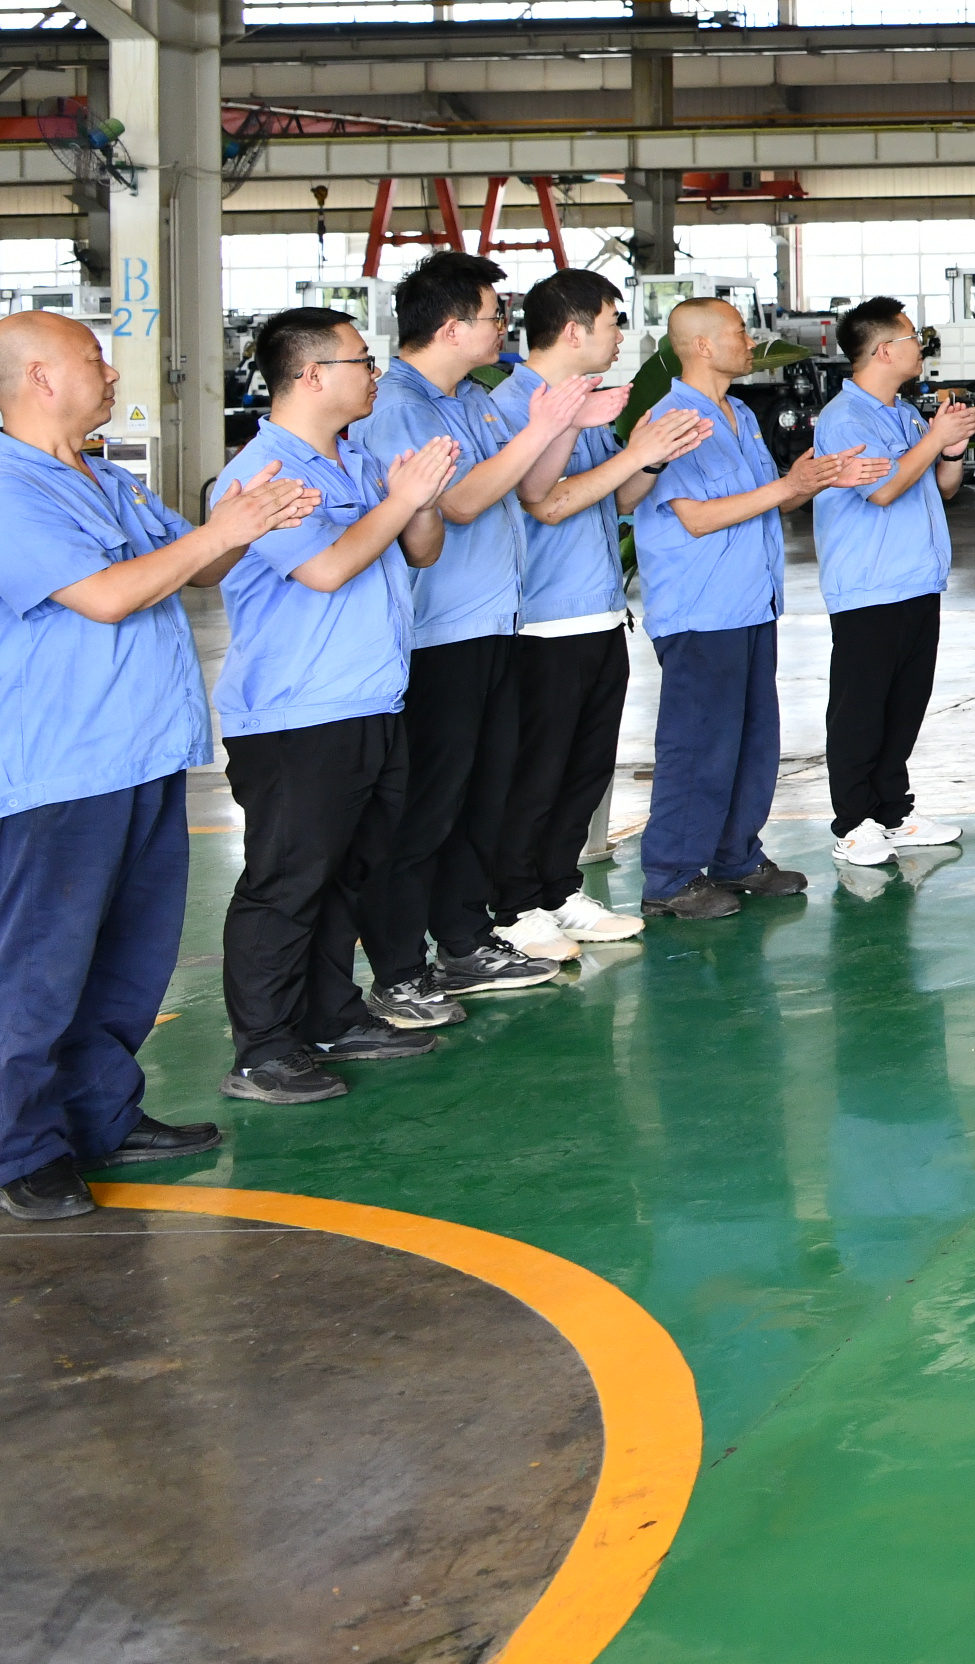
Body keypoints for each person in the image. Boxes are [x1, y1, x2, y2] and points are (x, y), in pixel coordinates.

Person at [0, 314, 315, 1217]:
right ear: (40, 377)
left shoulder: (106, 479)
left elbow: (198, 570)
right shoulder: (11, 488)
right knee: (40, 970)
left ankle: (100, 1116)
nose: (111, 373)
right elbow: (106, 596)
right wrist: (223, 532)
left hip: (143, 754)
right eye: (92, 359)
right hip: (62, 768)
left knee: (128, 963)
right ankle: (21, 1150)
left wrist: (251, 522)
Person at [208, 307, 462, 1101]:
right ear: (313, 374)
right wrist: (400, 498)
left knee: (347, 875)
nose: (374, 372)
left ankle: (330, 1017)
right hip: (298, 716)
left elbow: (422, 551)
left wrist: (419, 498)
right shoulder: (262, 474)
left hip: (369, 700)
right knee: (287, 884)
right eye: (361, 360)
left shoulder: (353, 460)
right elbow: (325, 569)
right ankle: (262, 1050)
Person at [348, 251, 594, 1006]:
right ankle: (399, 968)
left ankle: (463, 940)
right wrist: (541, 426)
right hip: (438, 636)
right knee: (427, 806)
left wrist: (563, 426)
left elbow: (525, 487)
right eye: (495, 316)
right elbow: (455, 504)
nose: (504, 328)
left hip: (492, 624)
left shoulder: (470, 400)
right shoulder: (402, 409)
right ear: (452, 327)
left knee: (479, 798)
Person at [635, 298, 884, 922]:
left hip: (749, 602)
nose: (751, 342)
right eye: (739, 332)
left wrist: (815, 481)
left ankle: (735, 857)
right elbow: (696, 517)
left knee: (751, 741)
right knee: (699, 745)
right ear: (701, 345)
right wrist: (788, 486)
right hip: (701, 609)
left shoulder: (740, 414)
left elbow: (764, 500)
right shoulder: (671, 422)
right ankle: (670, 875)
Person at [501, 272, 712, 955]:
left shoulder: (586, 402)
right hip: (542, 620)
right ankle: (514, 904)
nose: (621, 335)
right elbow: (547, 501)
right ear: (574, 330)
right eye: (612, 321)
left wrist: (649, 458)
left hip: (596, 611)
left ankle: (558, 891)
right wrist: (635, 454)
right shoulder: (515, 406)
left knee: (585, 770)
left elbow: (612, 498)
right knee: (537, 772)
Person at [812, 296, 975, 868]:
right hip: (870, 585)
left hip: (915, 580)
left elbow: (941, 488)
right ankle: (852, 821)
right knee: (861, 708)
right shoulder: (846, 418)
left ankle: (892, 811)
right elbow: (882, 490)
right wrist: (934, 440)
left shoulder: (905, 413)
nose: (921, 346)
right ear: (884, 350)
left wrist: (951, 450)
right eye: (913, 337)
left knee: (905, 704)